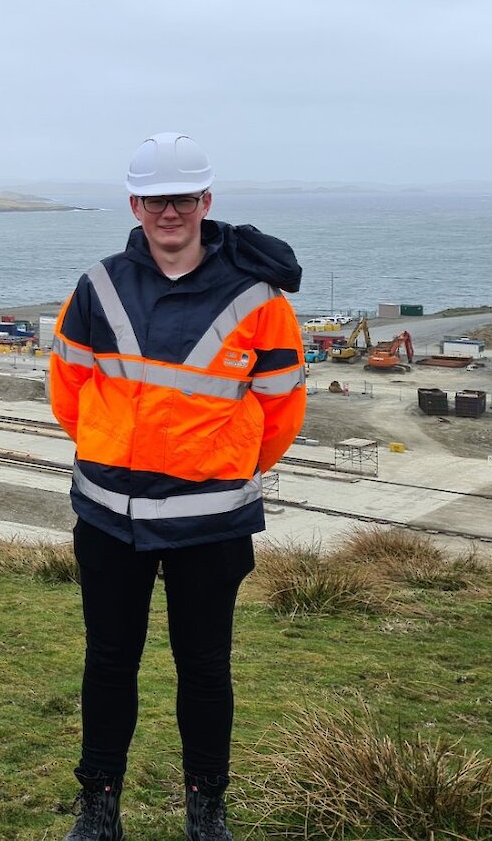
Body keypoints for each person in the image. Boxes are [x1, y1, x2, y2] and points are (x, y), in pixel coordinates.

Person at [48, 133, 306, 841]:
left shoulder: (259, 298)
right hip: (108, 516)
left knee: (203, 669)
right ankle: (97, 805)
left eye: (182, 199)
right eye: (157, 199)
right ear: (134, 204)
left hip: (211, 522)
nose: (170, 212)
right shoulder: (97, 285)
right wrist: (108, 453)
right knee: (107, 663)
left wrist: (227, 466)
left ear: (205, 202)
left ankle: (206, 807)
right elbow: (67, 389)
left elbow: (281, 408)